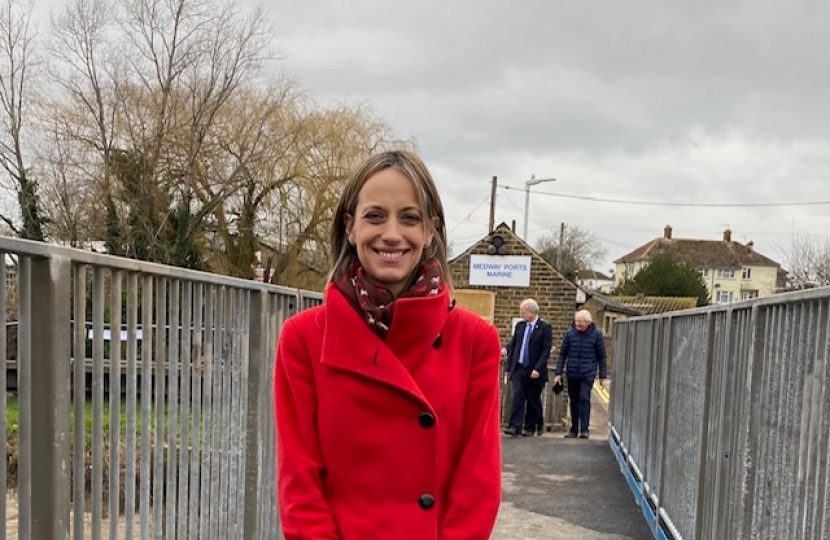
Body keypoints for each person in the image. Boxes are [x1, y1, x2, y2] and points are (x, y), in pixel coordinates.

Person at [273, 150, 502, 540]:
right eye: (375, 216)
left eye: (409, 218)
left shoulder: (475, 341)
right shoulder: (303, 338)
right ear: (350, 226)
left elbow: (478, 482)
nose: (392, 234)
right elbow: (298, 479)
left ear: (430, 230)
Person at [501, 298, 553, 437]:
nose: (522, 314)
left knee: (533, 399)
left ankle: (531, 426)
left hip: (534, 369)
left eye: (523, 312)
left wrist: (538, 368)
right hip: (519, 367)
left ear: (531, 312)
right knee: (517, 396)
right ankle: (514, 426)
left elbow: (545, 350)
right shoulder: (520, 326)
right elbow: (514, 344)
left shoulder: (544, 328)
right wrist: (507, 358)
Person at [553, 310, 608, 439]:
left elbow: (602, 357)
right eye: (576, 321)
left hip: (587, 372)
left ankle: (584, 429)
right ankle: (574, 429)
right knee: (574, 401)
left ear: (588, 322)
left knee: (584, 399)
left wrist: (603, 376)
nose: (577, 324)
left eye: (580, 322)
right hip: (572, 372)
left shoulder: (597, 335)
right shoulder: (569, 334)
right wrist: (558, 373)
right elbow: (562, 354)